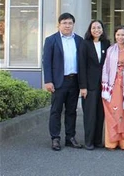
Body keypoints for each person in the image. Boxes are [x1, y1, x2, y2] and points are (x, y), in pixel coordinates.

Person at [43, 12, 83, 151]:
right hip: (58, 82)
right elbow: (46, 62)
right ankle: (55, 138)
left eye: (70, 23)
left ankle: (70, 137)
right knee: (56, 111)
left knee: (72, 111)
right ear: (59, 25)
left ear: (73, 25)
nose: (67, 25)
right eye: (64, 23)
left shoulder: (79, 40)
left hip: (74, 80)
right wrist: (48, 80)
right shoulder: (51, 40)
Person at [79, 20, 110, 150]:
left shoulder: (106, 43)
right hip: (89, 85)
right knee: (90, 114)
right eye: (93, 27)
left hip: (103, 84)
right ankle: (89, 142)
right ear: (89, 30)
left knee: (100, 113)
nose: (96, 30)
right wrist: (83, 86)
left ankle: (98, 140)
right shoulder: (84, 44)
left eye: (99, 27)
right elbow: (81, 66)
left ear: (102, 29)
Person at [101, 25, 124, 150]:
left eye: (123, 35)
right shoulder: (110, 49)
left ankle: (123, 142)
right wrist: (104, 84)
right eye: (118, 34)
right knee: (113, 111)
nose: (120, 37)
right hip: (113, 84)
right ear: (115, 35)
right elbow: (106, 67)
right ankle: (111, 141)